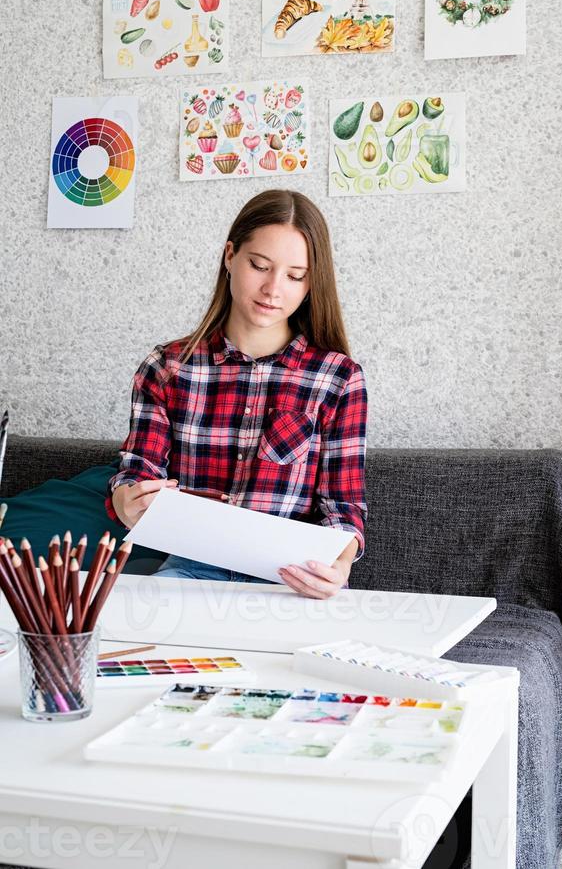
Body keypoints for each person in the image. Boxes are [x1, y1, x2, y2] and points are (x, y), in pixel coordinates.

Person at [106, 189, 367, 599]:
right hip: (188, 572)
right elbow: (139, 470)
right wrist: (126, 500)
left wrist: (340, 560)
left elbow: (344, 508)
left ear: (311, 283)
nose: (273, 289)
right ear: (230, 255)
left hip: (292, 583)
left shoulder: (337, 378)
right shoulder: (168, 368)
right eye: (260, 266)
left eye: (296, 276)